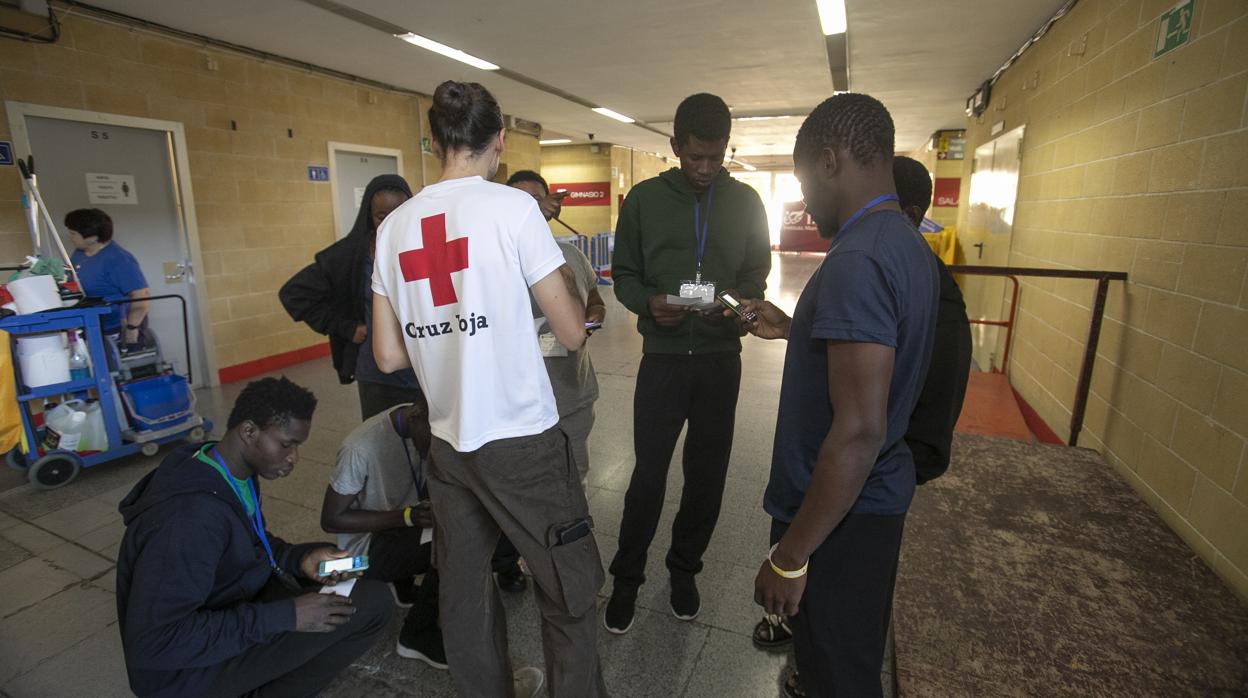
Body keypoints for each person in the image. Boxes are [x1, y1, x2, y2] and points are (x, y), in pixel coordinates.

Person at [370, 80, 603, 697]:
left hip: (448, 442)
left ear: (436, 140)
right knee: (568, 588)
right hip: (521, 439)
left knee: (465, 595)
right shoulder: (513, 209)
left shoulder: (393, 227)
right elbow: (573, 331)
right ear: (499, 139)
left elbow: (389, 352)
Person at [750, 156, 973, 696]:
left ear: (830, 163)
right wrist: (799, 329)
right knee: (850, 656)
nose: (804, 201)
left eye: (804, 183)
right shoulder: (903, 242)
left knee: (837, 674)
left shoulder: (859, 258)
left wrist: (789, 557)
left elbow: (857, 432)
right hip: (870, 500)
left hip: (840, 511)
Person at [605, 92, 772, 633]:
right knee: (648, 476)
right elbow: (624, 273)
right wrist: (645, 303)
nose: (704, 169)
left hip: (721, 362)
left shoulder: (746, 201)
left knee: (707, 476)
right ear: (675, 146)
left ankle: (684, 570)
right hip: (665, 361)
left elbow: (755, 271)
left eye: (715, 157)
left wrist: (739, 302)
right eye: (694, 156)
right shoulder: (645, 201)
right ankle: (627, 578)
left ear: (727, 149)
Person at [115, 377, 392, 698]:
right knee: (371, 606)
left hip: (231, 606)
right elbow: (155, 642)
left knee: (364, 581)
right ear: (249, 432)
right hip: (179, 674)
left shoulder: (228, 471)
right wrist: (287, 616)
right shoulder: (187, 519)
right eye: (286, 444)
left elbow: (247, 542)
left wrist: (299, 558)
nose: (293, 458)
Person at [280, 175, 421, 420]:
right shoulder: (349, 255)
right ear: (369, 216)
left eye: (399, 212)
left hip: (423, 368)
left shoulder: (424, 246)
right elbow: (294, 293)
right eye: (381, 216)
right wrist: (346, 328)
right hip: (377, 374)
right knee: (383, 442)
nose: (391, 222)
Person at [319, 398, 446, 669]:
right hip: (360, 552)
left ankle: (401, 584)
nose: (436, 446)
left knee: (454, 531)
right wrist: (407, 516)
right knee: (448, 547)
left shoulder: (420, 424)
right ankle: (417, 637)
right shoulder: (360, 447)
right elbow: (331, 519)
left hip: (396, 530)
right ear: (415, 416)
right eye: (434, 438)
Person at [506, 169, 606, 486]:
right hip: (517, 402)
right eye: (518, 202)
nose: (529, 208)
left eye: (536, 200)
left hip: (571, 395)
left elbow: (594, 296)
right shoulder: (497, 259)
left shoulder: (571, 255)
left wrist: (595, 314)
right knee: (525, 486)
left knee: (574, 479)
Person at [64, 208, 151, 350]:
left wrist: (132, 328)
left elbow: (142, 295)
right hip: (93, 323)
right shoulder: (79, 254)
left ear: (92, 237)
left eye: (73, 233)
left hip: (117, 327)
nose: (70, 236)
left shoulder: (118, 259)